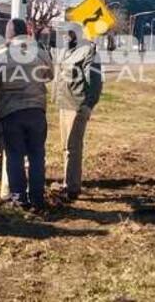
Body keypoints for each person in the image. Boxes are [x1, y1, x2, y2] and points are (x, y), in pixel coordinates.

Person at [0, 19, 53, 209]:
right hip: (36, 111)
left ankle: (19, 198)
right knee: (37, 156)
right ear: (26, 32)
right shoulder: (40, 53)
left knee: (14, 155)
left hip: (11, 112)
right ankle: (38, 198)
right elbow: (50, 75)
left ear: (8, 35)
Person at [56, 25, 102, 201]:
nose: (65, 37)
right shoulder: (65, 51)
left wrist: (88, 105)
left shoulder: (88, 52)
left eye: (68, 34)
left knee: (73, 148)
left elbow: (95, 82)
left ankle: (72, 188)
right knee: (65, 147)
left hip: (77, 105)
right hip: (64, 104)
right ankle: (67, 182)